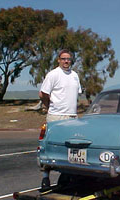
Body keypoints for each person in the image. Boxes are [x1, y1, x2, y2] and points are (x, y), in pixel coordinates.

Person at [39, 49, 82, 191]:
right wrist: (48, 106)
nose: (66, 61)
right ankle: (45, 177)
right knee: (50, 146)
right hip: (56, 116)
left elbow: (76, 95)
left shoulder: (75, 76)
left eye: (68, 59)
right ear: (58, 60)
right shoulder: (53, 75)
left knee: (71, 148)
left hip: (72, 117)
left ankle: (67, 176)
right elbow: (43, 93)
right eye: (63, 59)